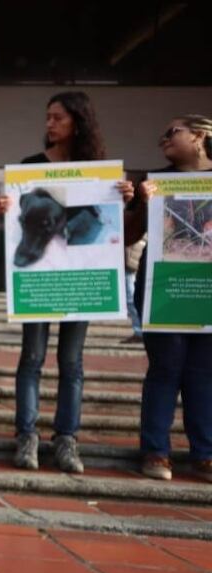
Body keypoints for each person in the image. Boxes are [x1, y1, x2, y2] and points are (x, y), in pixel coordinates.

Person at [9, 92, 134, 473]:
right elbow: (16, 221)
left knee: (71, 361)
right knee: (31, 357)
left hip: (80, 278)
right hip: (40, 279)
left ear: (77, 122)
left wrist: (126, 199)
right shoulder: (31, 168)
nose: (49, 124)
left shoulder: (98, 173)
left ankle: (66, 439)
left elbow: (112, 228)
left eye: (57, 118)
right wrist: (4, 208)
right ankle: (26, 436)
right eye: (47, 117)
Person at [130, 114, 212, 483]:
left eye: (172, 132)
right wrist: (143, 205)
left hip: (205, 290)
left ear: (198, 137)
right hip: (163, 287)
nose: (163, 138)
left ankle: (205, 454)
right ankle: (155, 451)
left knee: (204, 373)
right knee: (165, 368)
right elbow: (131, 234)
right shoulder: (153, 181)